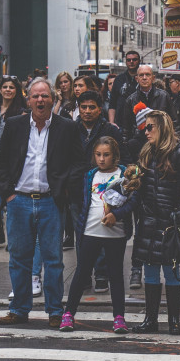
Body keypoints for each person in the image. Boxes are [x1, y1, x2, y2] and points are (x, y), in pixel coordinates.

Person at [0, 78, 85, 327]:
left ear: (52, 99)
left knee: (53, 259)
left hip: (50, 202)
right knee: (19, 259)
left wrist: (65, 189)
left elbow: (79, 162)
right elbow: (0, 161)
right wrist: (8, 194)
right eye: (35, 96)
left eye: (45, 96)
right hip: (19, 201)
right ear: (28, 100)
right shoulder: (14, 125)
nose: (40, 100)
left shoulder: (66, 127)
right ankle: (19, 309)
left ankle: (55, 310)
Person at [61, 137, 139, 333]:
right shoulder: (90, 175)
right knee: (82, 272)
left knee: (115, 275)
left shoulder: (125, 174)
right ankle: (69, 314)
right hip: (90, 231)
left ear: (115, 156)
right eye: (98, 155)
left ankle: (119, 317)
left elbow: (133, 201)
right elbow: (84, 201)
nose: (102, 159)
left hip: (116, 233)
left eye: (106, 155)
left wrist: (117, 215)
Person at [132, 110, 180, 335]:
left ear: (163, 128)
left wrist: (179, 214)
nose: (146, 131)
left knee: (171, 272)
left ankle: (174, 321)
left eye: (151, 127)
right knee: (150, 271)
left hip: (169, 224)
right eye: (145, 128)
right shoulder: (147, 152)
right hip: (149, 221)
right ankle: (150, 320)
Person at [121, 64, 178, 290]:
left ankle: (166, 267)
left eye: (147, 75)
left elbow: (174, 123)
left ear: (152, 78)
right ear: (136, 78)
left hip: (162, 159)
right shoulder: (130, 99)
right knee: (140, 222)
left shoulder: (163, 96)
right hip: (140, 160)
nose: (144, 78)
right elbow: (126, 127)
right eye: (141, 75)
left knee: (163, 222)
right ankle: (137, 269)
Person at [72, 89, 123, 293]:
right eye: (83, 107)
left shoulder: (110, 130)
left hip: (104, 189)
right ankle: (83, 275)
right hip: (78, 188)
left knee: (102, 230)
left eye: (91, 107)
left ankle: (101, 275)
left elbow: (122, 158)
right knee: (81, 233)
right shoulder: (71, 128)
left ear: (99, 108)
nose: (87, 111)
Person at [0, 76, 27, 251]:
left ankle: (13, 237)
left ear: (16, 91)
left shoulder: (21, 111)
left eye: (11, 87)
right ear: (0, 90)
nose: (8, 90)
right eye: (5, 87)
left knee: (10, 199)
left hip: (9, 163)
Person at [109, 50, 141, 126]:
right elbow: (112, 103)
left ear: (139, 61)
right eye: (128, 60)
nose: (131, 62)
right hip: (121, 123)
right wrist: (111, 123)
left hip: (139, 122)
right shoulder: (119, 79)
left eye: (134, 59)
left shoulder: (143, 78)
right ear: (126, 62)